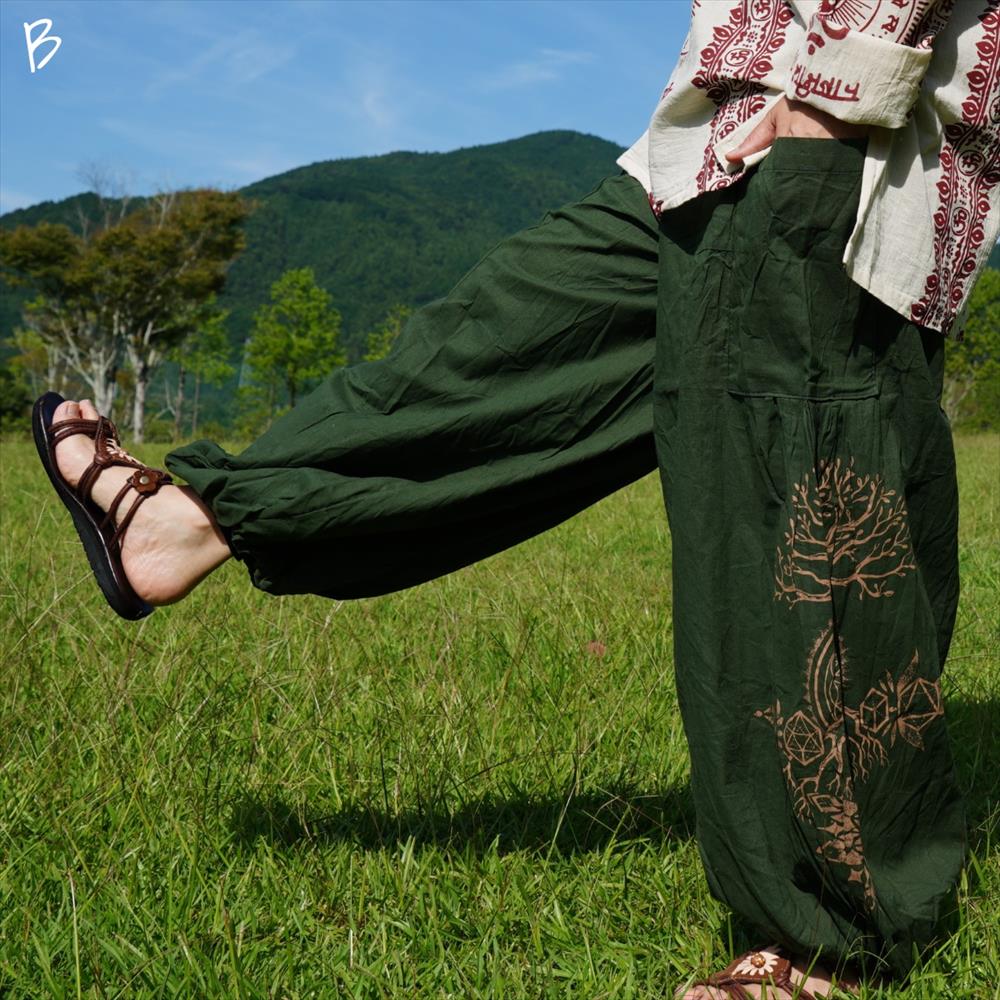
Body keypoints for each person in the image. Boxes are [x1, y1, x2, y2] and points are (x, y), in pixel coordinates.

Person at [32, 1, 999, 997]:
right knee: (504, 343)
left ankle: (829, 936)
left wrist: (839, 92)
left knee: (798, 496)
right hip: (722, 116)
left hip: (848, 114)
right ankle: (191, 527)